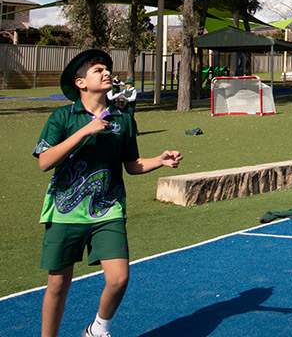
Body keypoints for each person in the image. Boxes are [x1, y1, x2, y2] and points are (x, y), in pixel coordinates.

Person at [34, 49, 182, 337]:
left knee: (118, 278)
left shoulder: (123, 119)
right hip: (65, 212)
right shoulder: (63, 117)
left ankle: (98, 329)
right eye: (98, 70)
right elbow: (44, 161)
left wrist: (160, 160)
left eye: (107, 69)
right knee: (57, 285)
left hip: (109, 210)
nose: (106, 73)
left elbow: (133, 165)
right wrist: (83, 132)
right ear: (81, 83)